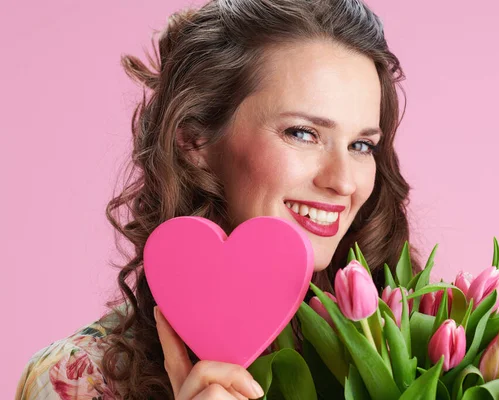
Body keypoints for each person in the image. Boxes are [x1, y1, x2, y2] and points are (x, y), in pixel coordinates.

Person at [15, 0, 422, 398]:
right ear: (196, 139)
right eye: (302, 133)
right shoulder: (78, 380)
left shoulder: (418, 349)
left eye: (362, 145)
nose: (344, 182)